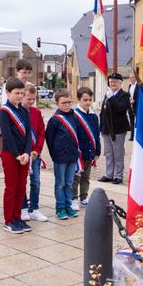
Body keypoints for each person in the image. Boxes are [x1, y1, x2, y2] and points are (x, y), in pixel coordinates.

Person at [0, 77, 32, 234]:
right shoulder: (4, 112)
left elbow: (28, 136)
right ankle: (9, 220)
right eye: (16, 93)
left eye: (21, 93)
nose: (19, 96)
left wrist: (26, 152)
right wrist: (17, 154)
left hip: (24, 155)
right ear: (7, 93)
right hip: (10, 154)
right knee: (11, 188)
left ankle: (18, 218)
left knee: (21, 187)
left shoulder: (24, 111)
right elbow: (7, 135)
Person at [46, 88, 81, 220]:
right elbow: (49, 139)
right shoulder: (54, 120)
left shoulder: (74, 117)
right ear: (57, 103)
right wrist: (54, 154)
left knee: (69, 182)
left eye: (69, 102)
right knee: (60, 183)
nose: (67, 105)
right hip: (60, 157)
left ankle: (68, 206)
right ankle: (60, 208)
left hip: (72, 156)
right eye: (64, 103)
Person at [20, 84, 48, 222]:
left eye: (33, 99)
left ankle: (34, 209)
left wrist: (37, 150)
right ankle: (23, 208)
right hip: (22, 155)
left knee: (36, 182)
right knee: (22, 182)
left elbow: (42, 133)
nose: (31, 101)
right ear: (22, 96)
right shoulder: (17, 112)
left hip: (35, 155)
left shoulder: (36, 113)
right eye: (28, 98)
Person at [99, 73, 130, 184]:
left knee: (118, 153)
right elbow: (103, 111)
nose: (112, 84)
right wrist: (101, 126)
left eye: (115, 82)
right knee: (108, 152)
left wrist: (112, 98)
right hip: (107, 128)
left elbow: (121, 109)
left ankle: (118, 175)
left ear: (120, 83)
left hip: (118, 128)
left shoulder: (124, 95)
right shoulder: (107, 94)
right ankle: (109, 174)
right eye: (111, 82)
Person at [73, 86, 101, 208]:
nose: (88, 102)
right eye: (85, 100)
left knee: (86, 176)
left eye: (90, 100)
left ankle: (84, 197)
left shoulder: (94, 116)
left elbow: (96, 135)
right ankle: (73, 198)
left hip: (90, 152)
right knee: (76, 177)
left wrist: (97, 151)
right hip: (79, 153)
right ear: (79, 100)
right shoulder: (74, 115)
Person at [127, 72, 140, 141]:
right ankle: (132, 136)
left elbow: (140, 96)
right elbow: (129, 95)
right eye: (129, 78)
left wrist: (134, 101)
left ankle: (138, 136)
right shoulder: (130, 86)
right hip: (130, 106)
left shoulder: (139, 85)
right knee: (131, 122)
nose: (130, 79)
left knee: (137, 121)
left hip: (137, 106)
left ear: (135, 78)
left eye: (132, 77)